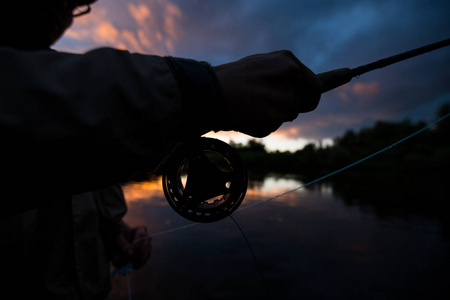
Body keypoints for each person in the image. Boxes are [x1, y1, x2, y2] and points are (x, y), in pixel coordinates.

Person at [0, 0, 322, 299]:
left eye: (77, 5)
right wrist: (204, 91)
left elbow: (70, 182)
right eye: (73, 2)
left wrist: (117, 235)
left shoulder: (84, 147)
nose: (69, 14)